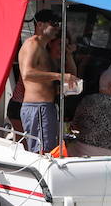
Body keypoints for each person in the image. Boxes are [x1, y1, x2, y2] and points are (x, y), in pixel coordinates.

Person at [17, 11, 79, 153]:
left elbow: (70, 75)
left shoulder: (44, 49)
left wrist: (68, 55)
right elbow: (27, 73)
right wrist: (59, 76)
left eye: (59, 24)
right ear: (40, 25)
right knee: (43, 152)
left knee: (47, 150)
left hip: (45, 107)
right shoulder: (32, 44)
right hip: (38, 107)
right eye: (54, 24)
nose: (57, 28)